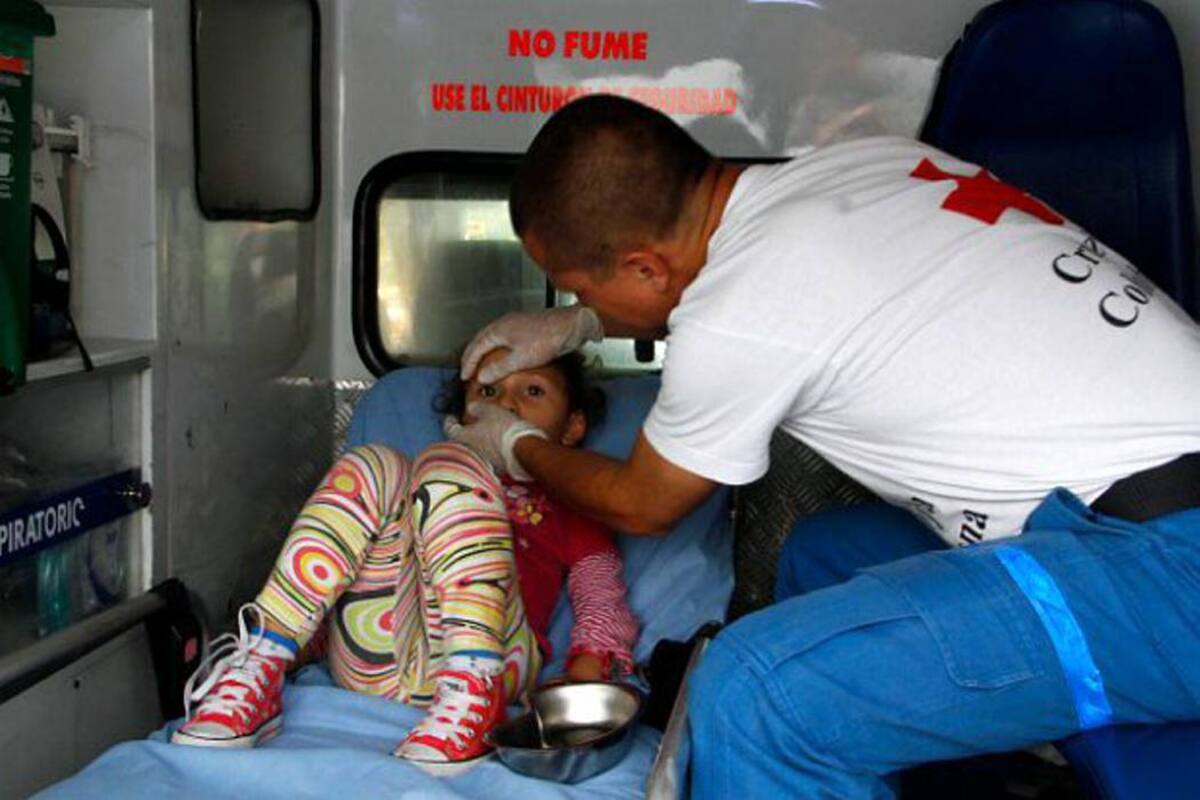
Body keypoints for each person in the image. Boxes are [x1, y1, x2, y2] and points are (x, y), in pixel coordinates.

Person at [449, 94, 1200, 797]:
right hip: (1123, 521)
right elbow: (786, 295)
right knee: (825, 551)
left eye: (579, 290)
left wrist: (513, 444)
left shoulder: (741, 304)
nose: (582, 310)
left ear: (646, 266)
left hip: (1168, 565)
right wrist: (589, 325)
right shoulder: (859, 165)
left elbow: (645, 506)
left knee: (753, 694)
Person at [171, 347, 638, 775]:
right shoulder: (416, 480)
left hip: (495, 666)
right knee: (371, 464)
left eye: (532, 391)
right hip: (375, 659)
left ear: (573, 426)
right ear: (462, 416)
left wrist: (590, 673)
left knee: (450, 466)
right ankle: (263, 663)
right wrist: (308, 641)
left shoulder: (570, 506)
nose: (505, 406)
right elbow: (356, 571)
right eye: (487, 392)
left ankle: (472, 689)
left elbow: (600, 596)